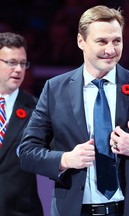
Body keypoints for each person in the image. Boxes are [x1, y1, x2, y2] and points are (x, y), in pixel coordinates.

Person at [17, 5, 129, 216]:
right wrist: (66, 159)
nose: (111, 49)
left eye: (117, 41)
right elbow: (27, 152)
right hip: (75, 210)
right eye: (102, 41)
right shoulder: (55, 89)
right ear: (81, 41)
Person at [0, 32, 43, 215]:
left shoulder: (37, 109)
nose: (18, 69)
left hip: (20, 211)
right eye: (11, 62)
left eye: (23, 63)